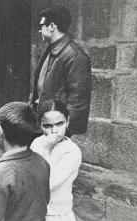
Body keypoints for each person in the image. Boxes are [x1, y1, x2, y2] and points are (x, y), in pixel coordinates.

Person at [29, 5, 92, 136]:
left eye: (41, 25)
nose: (39, 30)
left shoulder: (75, 56)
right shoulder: (50, 50)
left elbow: (78, 101)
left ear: (52, 26)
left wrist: (63, 132)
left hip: (55, 129)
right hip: (44, 124)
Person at [30, 99, 82, 221]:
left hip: (54, 214)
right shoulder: (37, 143)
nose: (54, 131)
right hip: (33, 212)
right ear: (40, 125)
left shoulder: (71, 152)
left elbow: (47, 183)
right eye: (47, 126)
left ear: (68, 121)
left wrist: (46, 150)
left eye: (59, 124)